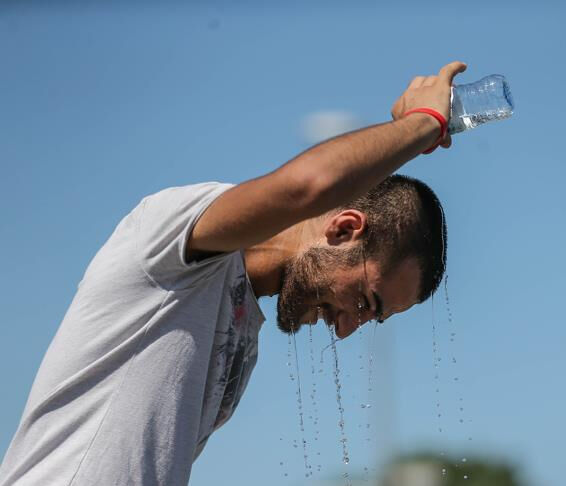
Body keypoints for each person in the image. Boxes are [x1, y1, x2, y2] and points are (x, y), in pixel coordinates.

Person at [0, 61, 468, 486]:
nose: (346, 329)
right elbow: (307, 187)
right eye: (366, 302)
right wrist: (423, 124)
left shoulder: (243, 332)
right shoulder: (175, 240)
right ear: (344, 229)